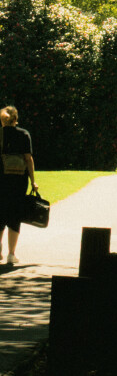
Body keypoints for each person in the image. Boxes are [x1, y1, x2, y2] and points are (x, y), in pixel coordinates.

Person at [0, 105, 35, 268]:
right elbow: (28, 159)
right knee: (14, 216)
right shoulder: (23, 134)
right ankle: (11, 254)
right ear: (16, 118)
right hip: (18, 181)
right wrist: (33, 181)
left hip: (1, 179)